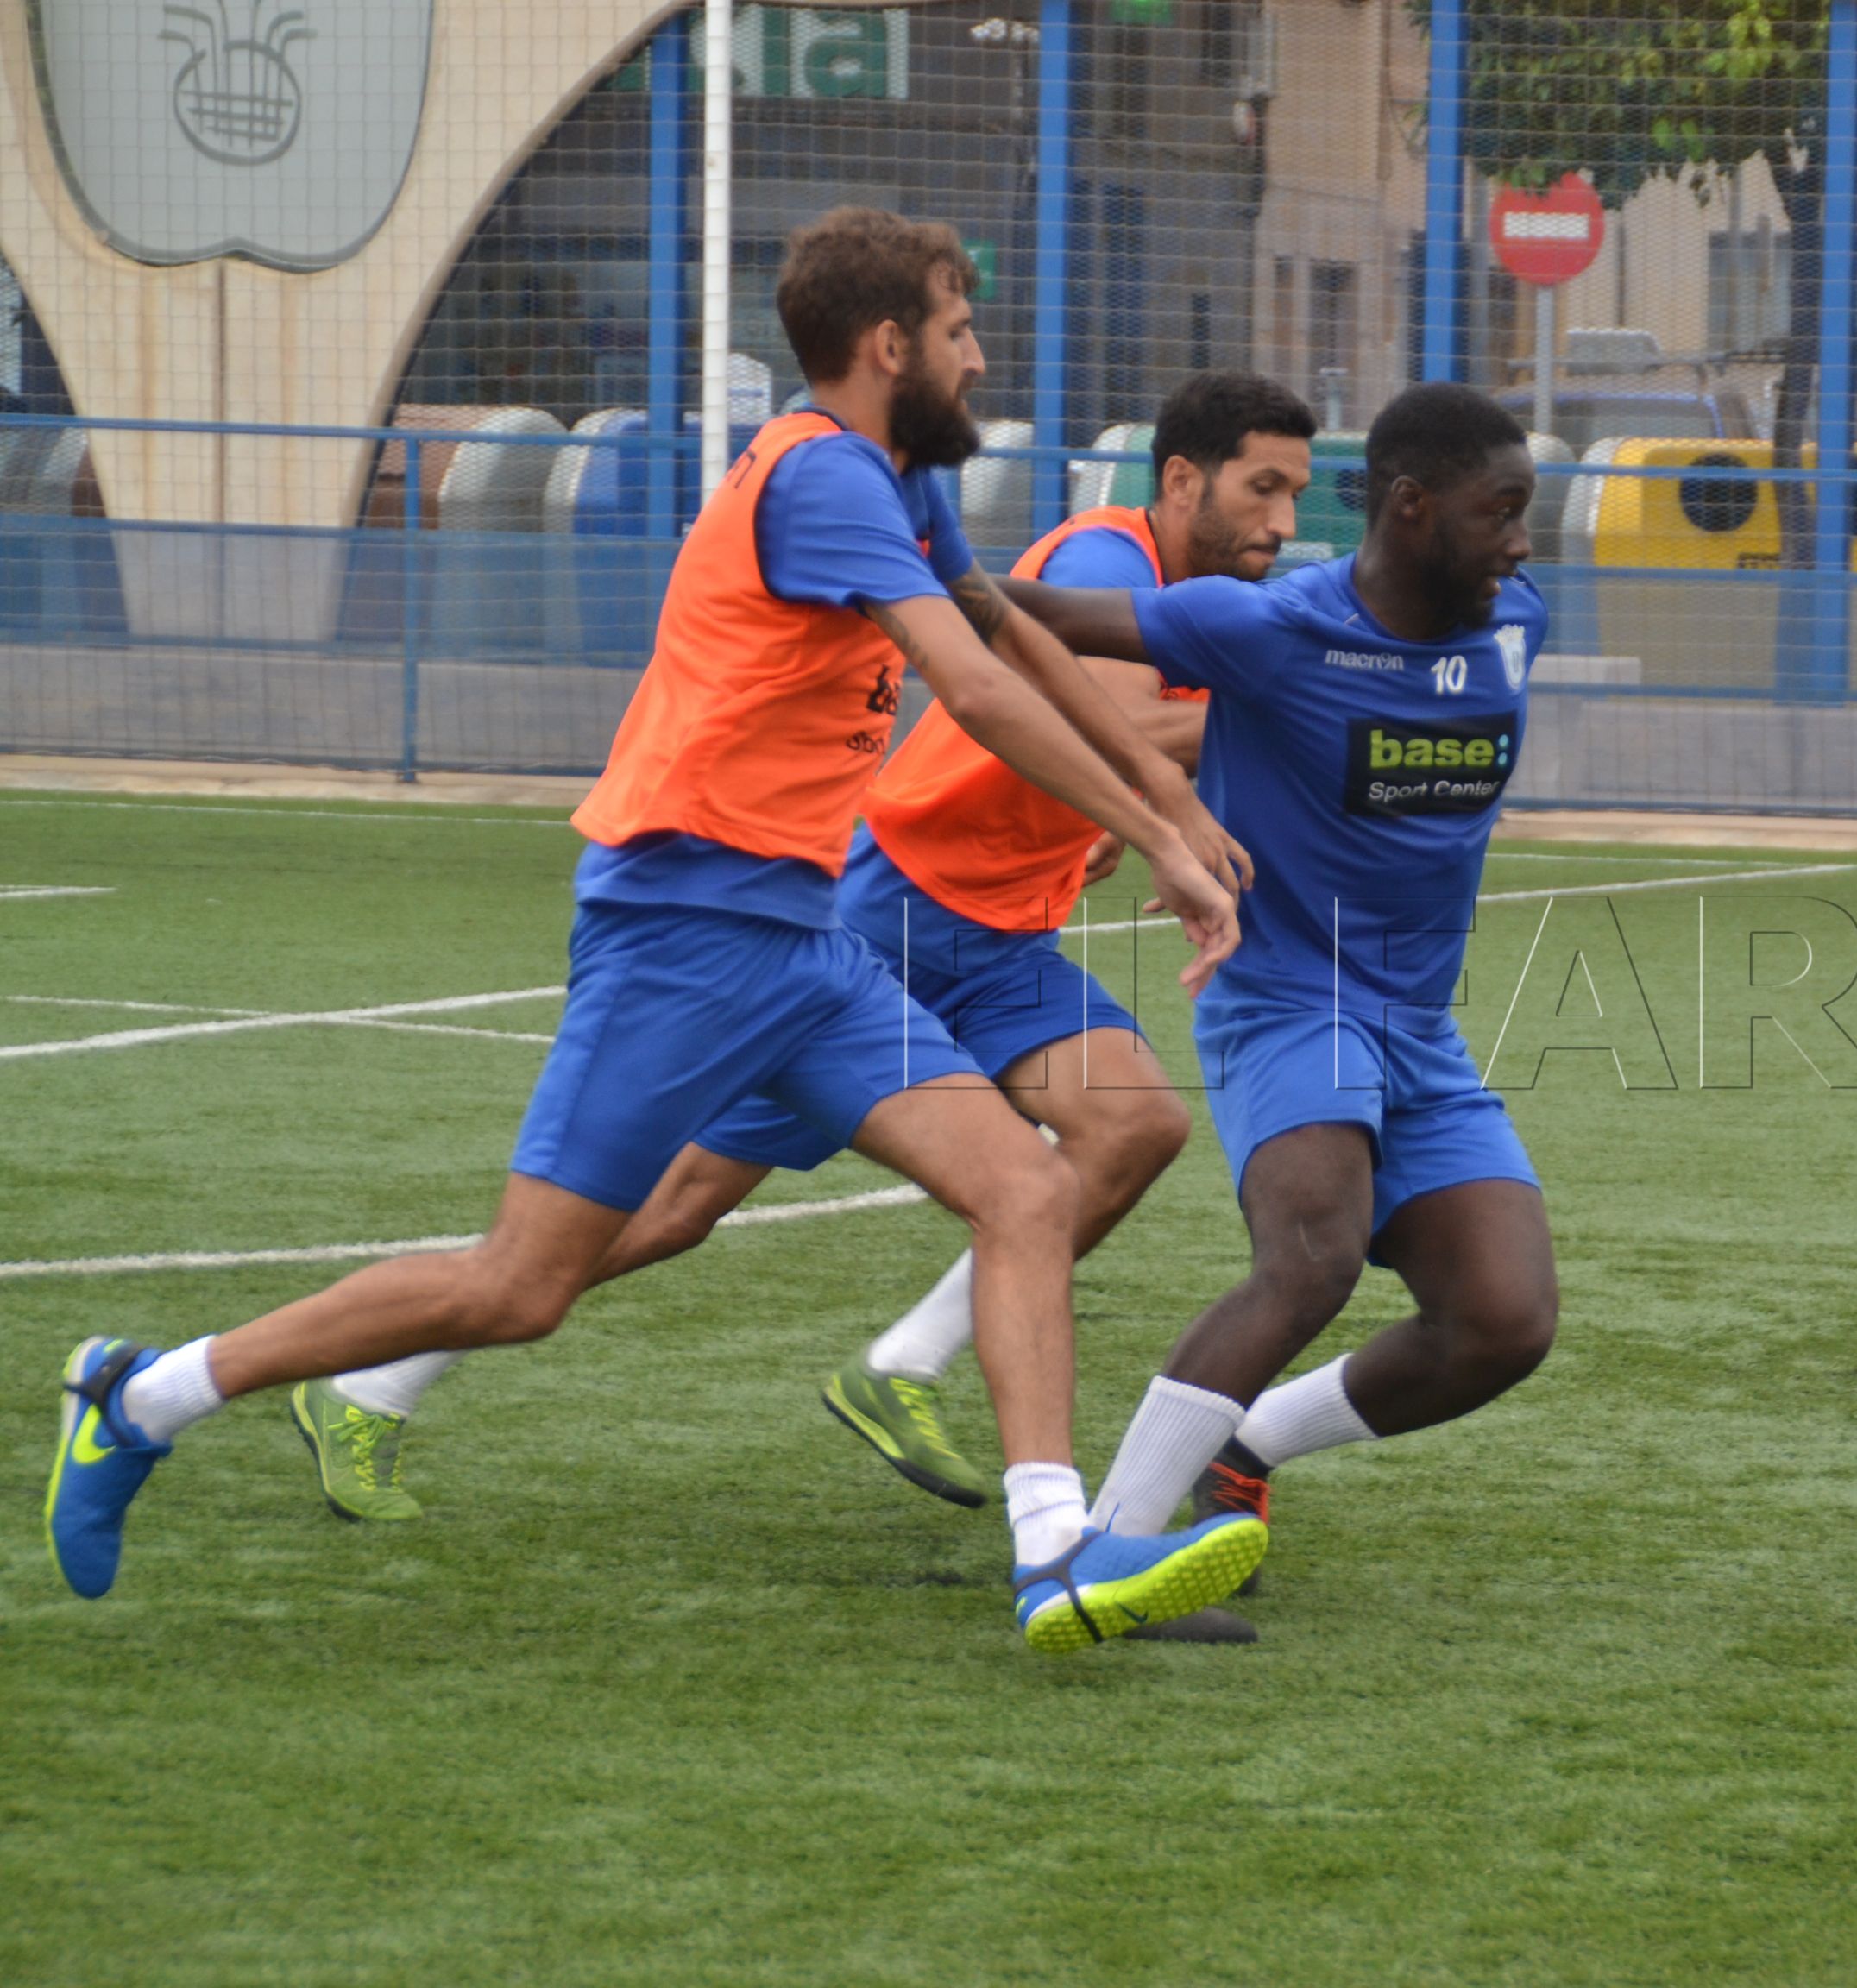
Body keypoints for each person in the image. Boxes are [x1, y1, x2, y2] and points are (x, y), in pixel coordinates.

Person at [48, 208, 1265, 1653]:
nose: (978, 354)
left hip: (806, 943)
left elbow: (1013, 635)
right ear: (890, 346)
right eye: (957, 330)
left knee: (1027, 1190)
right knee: (522, 1284)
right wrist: (1162, 833)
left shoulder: (896, 479)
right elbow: (978, 694)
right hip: (682, 930)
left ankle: (1055, 1549)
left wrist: (1174, 819)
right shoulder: (820, 480)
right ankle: (142, 1392)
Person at [288, 373, 1319, 1578]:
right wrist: (1310, 709)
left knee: (1133, 1123)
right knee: (673, 1208)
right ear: (1184, 481)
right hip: (891, 912)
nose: (1285, 523)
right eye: (1265, 488)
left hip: (994, 938)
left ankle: (901, 1369)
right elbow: (1123, 729)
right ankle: (375, 1379)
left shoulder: (1208, 604)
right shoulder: (1106, 554)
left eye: (1299, 494)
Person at [990, 382, 1558, 1620]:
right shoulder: (1265, 629)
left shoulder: (1516, 622)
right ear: (1411, 510)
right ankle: (1093, 1555)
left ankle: (1245, 1453)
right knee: (1311, 1258)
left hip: (1422, 1024)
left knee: (1503, 1321)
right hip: (1290, 999)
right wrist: (890, 565)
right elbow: (1022, 616)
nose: (1522, 542)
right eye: (1499, 512)